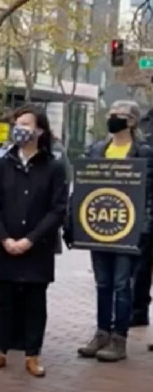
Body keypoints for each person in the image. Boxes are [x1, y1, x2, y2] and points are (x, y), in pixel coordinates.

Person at [0, 106, 68, 377]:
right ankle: (0, 351)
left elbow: (58, 208)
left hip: (37, 247)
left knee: (35, 302)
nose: (20, 128)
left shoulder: (53, 166)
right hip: (4, 244)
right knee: (3, 300)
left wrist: (30, 240)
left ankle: (32, 354)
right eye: (17, 123)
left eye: (26, 123)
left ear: (39, 130)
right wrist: (4, 237)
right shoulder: (3, 164)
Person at [68, 100, 153, 362]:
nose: (113, 118)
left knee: (121, 284)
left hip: (128, 231)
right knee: (102, 283)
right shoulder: (97, 149)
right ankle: (101, 332)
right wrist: (74, 224)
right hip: (99, 229)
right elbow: (84, 187)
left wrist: (144, 227)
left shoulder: (143, 152)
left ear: (132, 121)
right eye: (112, 114)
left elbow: (148, 194)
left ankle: (119, 339)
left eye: (120, 115)